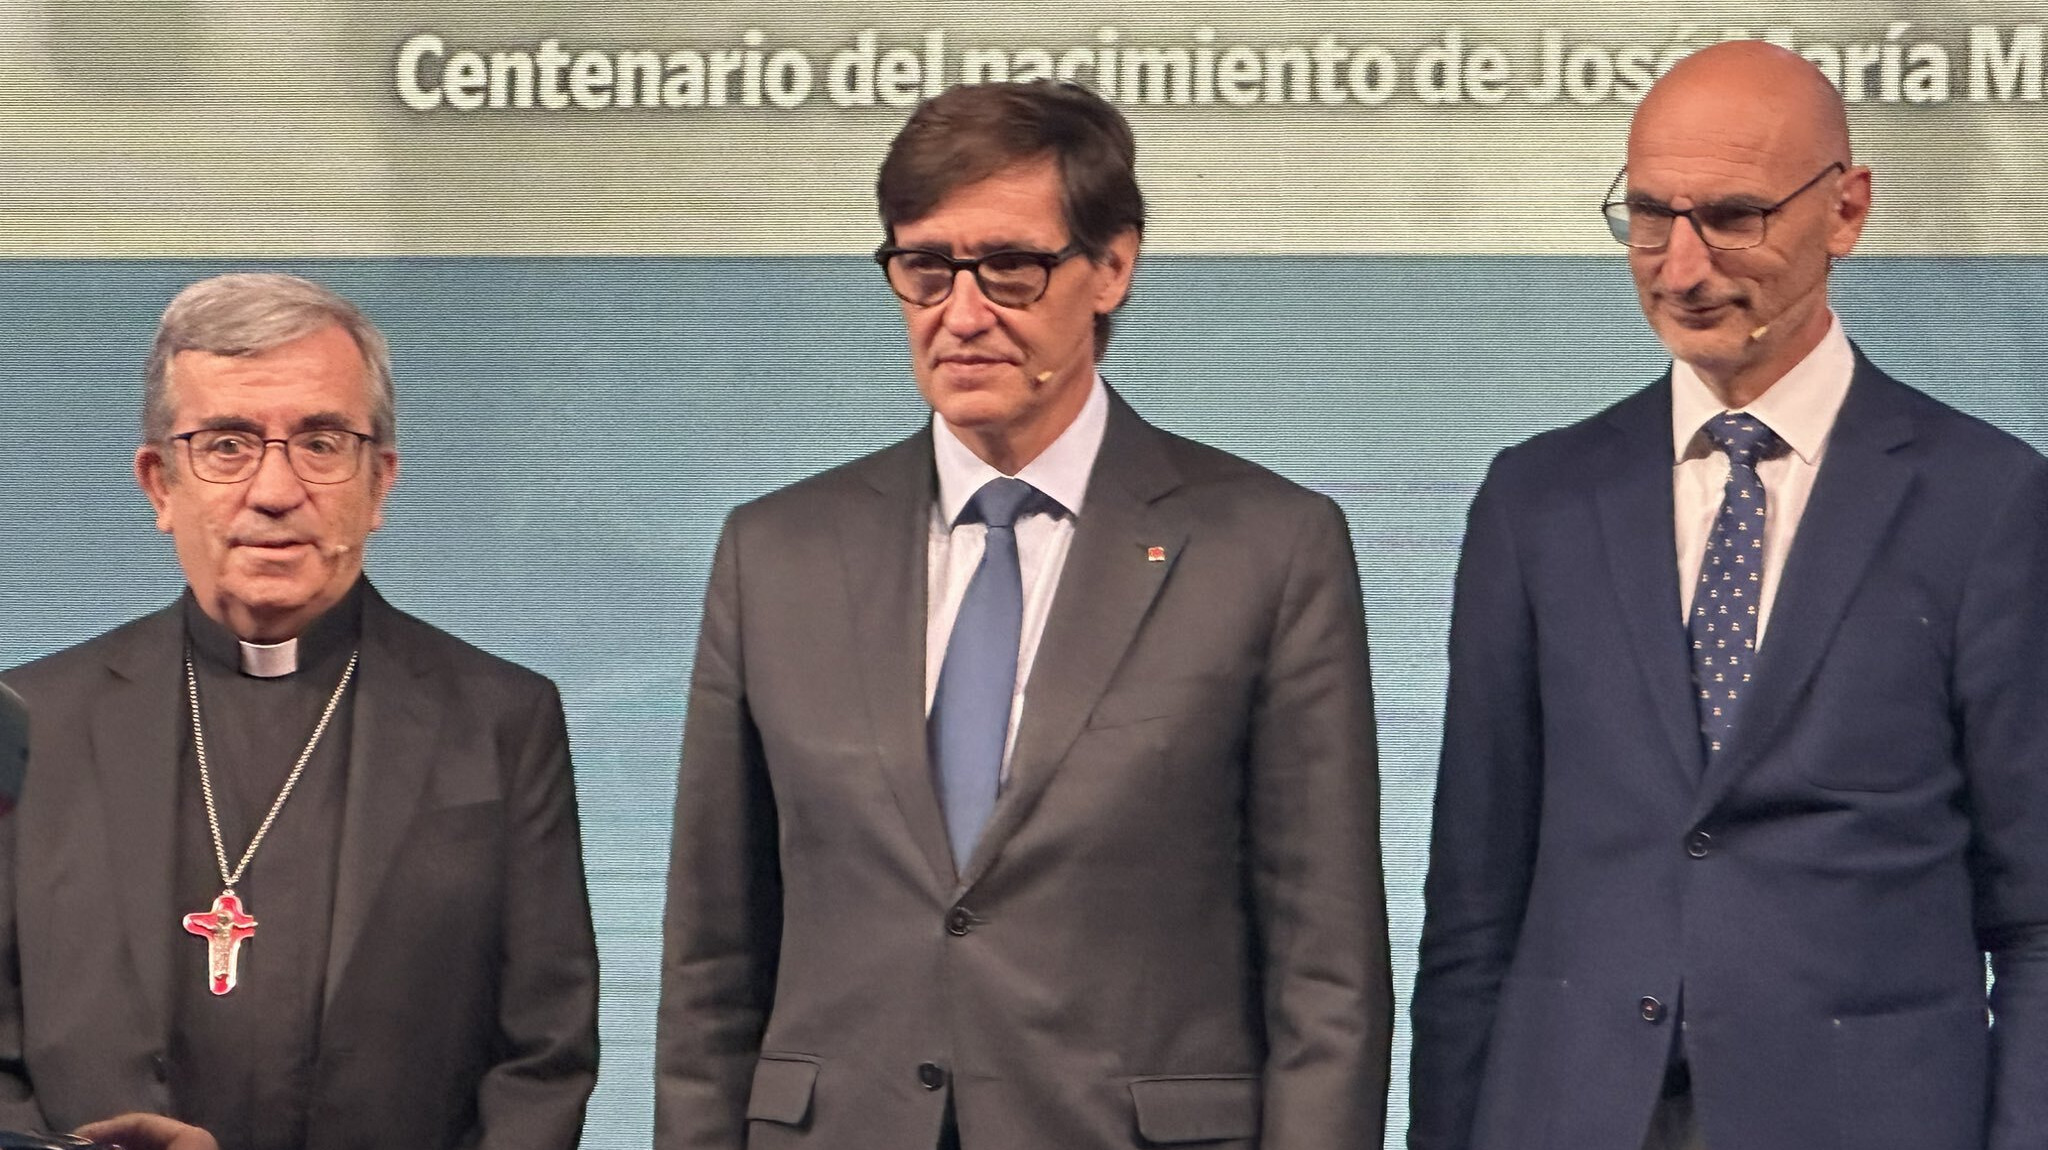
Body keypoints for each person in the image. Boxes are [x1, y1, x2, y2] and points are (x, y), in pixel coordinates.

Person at [655, 80, 1390, 1150]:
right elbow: (710, 963)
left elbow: (1325, 974)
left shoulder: (1268, 547)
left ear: (1112, 268)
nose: (961, 314)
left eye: (1009, 267)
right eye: (925, 268)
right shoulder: (774, 554)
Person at [1409, 40, 2048, 1150]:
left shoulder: (1985, 501)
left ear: (1845, 210)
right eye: (1649, 217)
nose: (1681, 266)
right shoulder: (1535, 499)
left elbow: (2037, 916)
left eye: (1732, 217)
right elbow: (1473, 909)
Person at [0, 273, 600, 1150]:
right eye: (227, 445)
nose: (276, 490)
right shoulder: (31, 721)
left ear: (379, 483)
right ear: (160, 484)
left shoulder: (501, 719)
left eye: (321, 442)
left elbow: (543, 1057)